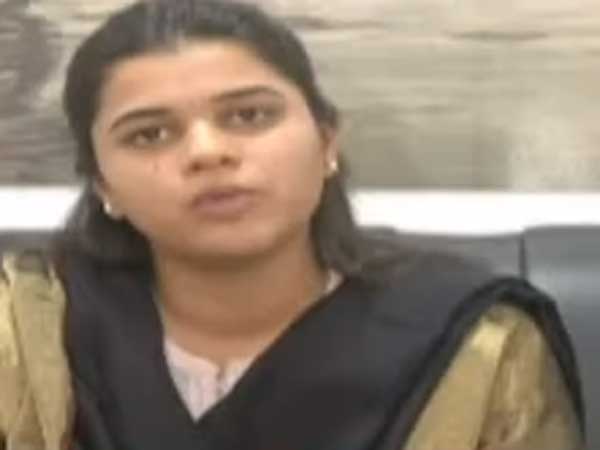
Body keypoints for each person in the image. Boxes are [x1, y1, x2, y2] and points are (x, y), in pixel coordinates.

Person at [0, 1, 585, 449]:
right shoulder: (26, 329)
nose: (207, 152)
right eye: (150, 134)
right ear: (103, 185)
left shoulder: (473, 346)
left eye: (249, 115)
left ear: (327, 142)